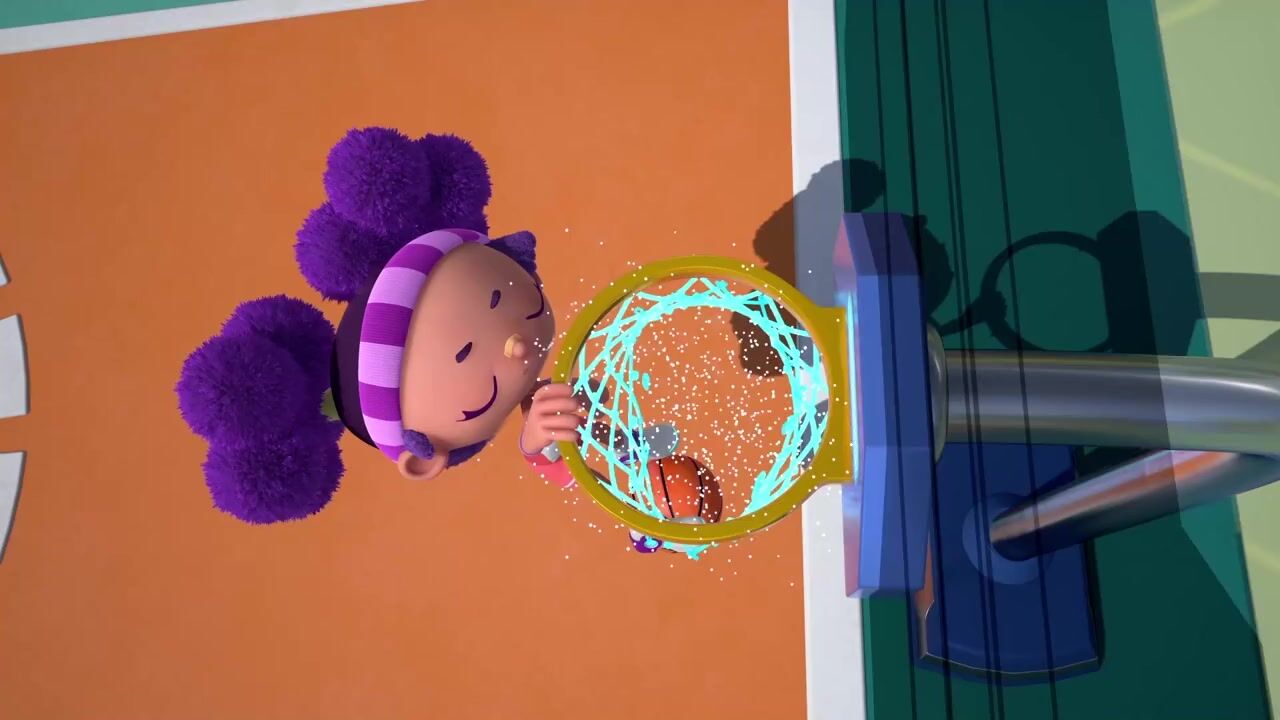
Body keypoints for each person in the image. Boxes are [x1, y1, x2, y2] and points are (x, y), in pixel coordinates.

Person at [175, 126, 673, 554]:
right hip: (651, 487)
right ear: (424, 456)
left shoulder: (545, 388)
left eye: (496, 298)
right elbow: (560, 464)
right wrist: (541, 443)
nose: (515, 346)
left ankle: (654, 498)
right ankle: (654, 516)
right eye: (464, 354)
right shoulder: (540, 415)